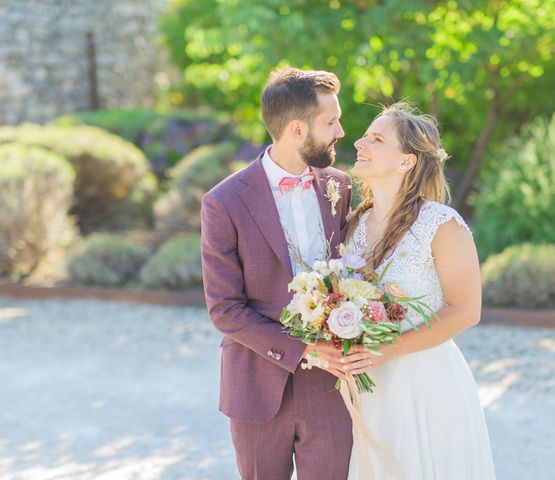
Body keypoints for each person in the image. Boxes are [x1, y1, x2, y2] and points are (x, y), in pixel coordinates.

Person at [200, 67, 354, 480]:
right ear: (298, 130)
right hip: (256, 384)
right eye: (331, 121)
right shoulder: (223, 202)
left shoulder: (341, 187)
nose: (341, 131)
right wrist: (304, 351)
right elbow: (225, 310)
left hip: (331, 387)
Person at [340, 102, 496, 479]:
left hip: (425, 383)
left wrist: (385, 350)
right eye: (365, 134)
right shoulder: (352, 222)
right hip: (368, 384)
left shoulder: (441, 224)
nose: (360, 142)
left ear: (406, 162)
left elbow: (465, 310)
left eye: (376, 138)